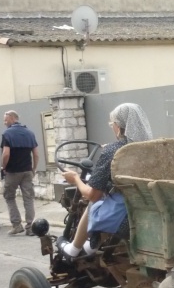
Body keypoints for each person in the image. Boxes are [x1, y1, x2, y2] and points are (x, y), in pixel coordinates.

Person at [60, 103, 153, 257]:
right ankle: (91, 245)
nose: (112, 127)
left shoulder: (112, 151)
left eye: (112, 124)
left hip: (126, 218)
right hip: (145, 207)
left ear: (118, 126)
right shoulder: (148, 148)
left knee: (93, 202)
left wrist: (76, 179)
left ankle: (75, 248)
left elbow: (92, 195)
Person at [1, 110, 39, 235]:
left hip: (13, 172)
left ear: (12, 118)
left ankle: (17, 225)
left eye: (6, 119)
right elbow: (36, 154)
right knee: (28, 198)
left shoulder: (7, 134)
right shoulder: (30, 133)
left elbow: (6, 154)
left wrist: (3, 167)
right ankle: (30, 227)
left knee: (9, 197)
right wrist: (33, 168)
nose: (4, 122)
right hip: (27, 170)